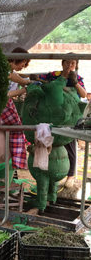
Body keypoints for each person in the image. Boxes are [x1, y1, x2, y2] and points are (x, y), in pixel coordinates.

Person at [39, 55, 87, 187]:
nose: (70, 65)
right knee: (49, 145)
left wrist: (75, 83)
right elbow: (40, 81)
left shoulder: (77, 78)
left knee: (70, 144)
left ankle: (70, 175)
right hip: (52, 114)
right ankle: (49, 173)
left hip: (70, 115)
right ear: (63, 63)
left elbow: (83, 94)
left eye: (73, 63)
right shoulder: (53, 75)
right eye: (68, 62)